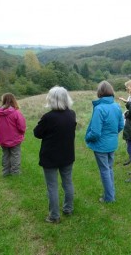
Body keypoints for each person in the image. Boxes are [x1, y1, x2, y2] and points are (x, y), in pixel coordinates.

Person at [33, 86, 77, 224]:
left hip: (50, 156)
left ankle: (54, 216)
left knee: (52, 186)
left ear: (51, 99)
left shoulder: (48, 117)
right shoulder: (72, 114)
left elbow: (37, 133)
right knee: (67, 182)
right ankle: (68, 209)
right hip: (67, 154)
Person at [85, 81, 124, 203]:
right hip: (112, 143)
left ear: (100, 92)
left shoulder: (99, 108)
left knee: (105, 170)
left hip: (101, 145)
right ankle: (110, 194)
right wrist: (112, 135)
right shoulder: (117, 106)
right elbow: (121, 125)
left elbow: (95, 132)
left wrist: (87, 137)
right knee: (109, 168)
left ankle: (109, 197)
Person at [0, 93, 26, 177]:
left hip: (2, 138)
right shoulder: (16, 112)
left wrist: (1, 131)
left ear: (3, 100)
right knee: (15, 154)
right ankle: (15, 172)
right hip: (15, 138)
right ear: (13, 100)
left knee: (5, 154)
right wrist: (21, 133)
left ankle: (5, 172)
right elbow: (22, 127)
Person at [119, 80, 131, 166]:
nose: (126, 88)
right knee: (128, 140)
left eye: (127, 86)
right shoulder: (130, 95)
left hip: (130, 119)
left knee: (130, 140)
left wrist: (125, 102)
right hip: (127, 118)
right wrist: (125, 100)